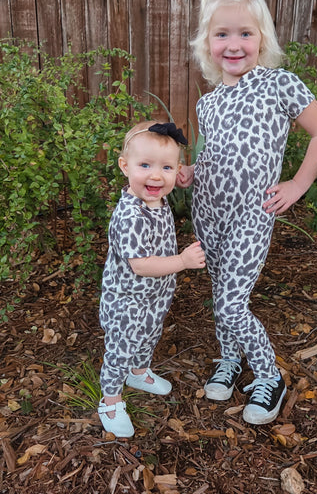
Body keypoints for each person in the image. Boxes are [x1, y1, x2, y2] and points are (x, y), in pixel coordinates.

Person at [177, 0, 317, 425]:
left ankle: (270, 375)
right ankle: (230, 359)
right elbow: (212, 154)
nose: (234, 44)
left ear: (262, 38)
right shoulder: (207, 103)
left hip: (252, 213)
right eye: (222, 34)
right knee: (220, 290)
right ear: (207, 45)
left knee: (232, 302)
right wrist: (190, 173)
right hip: (208, 209)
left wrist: (298, 185)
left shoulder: (279, 84)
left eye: (245, 33)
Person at [98, 121, 206, 437]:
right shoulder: (130, 214)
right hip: (127, 299)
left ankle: (138, 371)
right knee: (121, 345)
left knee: (149, 334)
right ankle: (111, 400)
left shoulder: (156, 200)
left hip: (155, 294)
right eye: (145, 165)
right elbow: (141, 265)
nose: (156, 175)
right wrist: (183, 261)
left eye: (166, 167)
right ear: (124, 166)